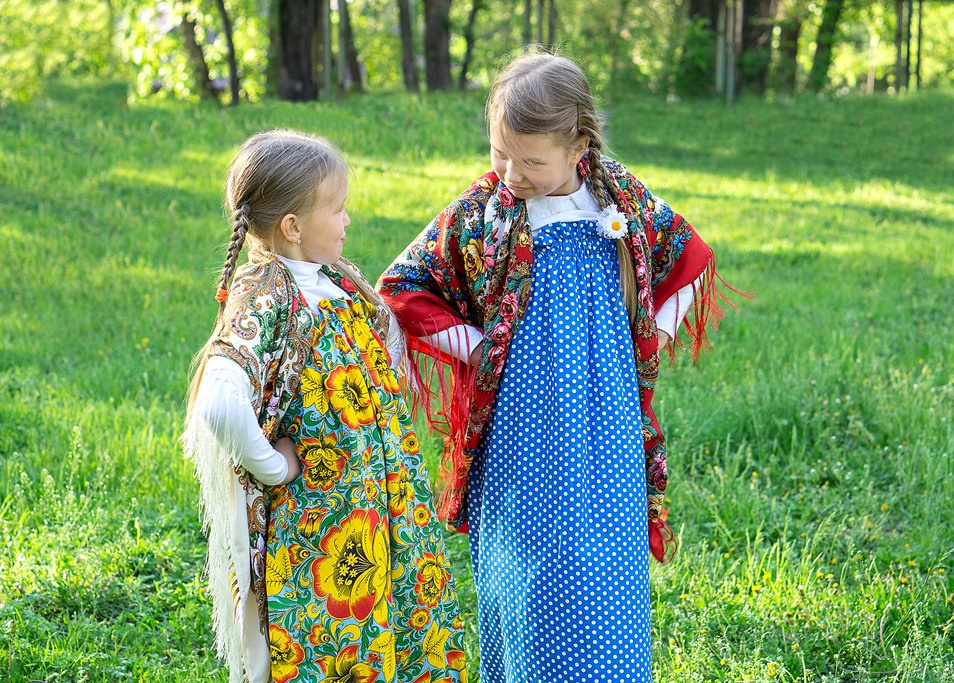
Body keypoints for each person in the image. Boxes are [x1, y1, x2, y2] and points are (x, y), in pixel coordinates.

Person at [376, 51, 743, 683]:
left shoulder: (620, 198)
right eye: (499, 153)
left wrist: (648, 336)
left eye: (531, 161)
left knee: (603, 567)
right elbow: (404, 287)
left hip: (606, 424)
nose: (511, 173)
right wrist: (485, 350)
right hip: (520, 429)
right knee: (528, 572)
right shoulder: (482, 211)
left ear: (579, 146)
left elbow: (691, 258)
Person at [182, 129, 467, 683]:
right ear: (293, 227)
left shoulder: (327, 283)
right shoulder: (267, 297)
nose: (347, 221)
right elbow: (217, 399)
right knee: (337, 652)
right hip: (326, 535)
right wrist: (272, 464)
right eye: (337, 210)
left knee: (397, 636)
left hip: (384, 517)